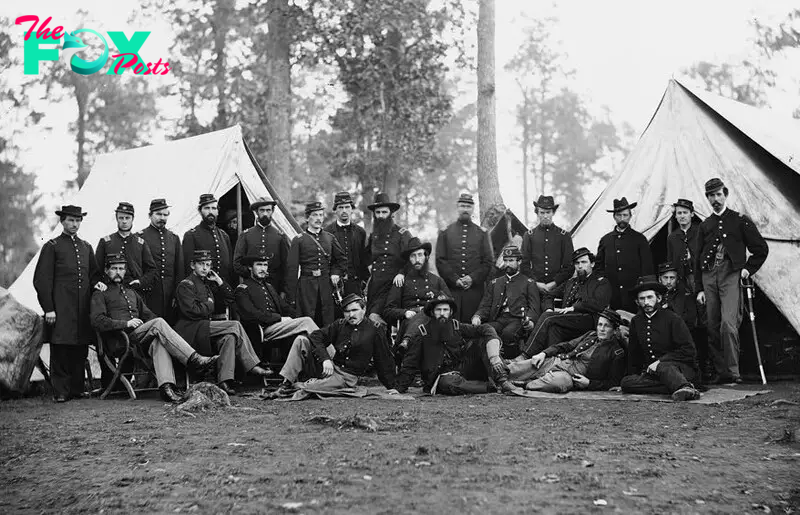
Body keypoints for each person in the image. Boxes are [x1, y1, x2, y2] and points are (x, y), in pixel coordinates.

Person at [90, 253, 219, 403]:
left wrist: (167, 334)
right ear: (106, 271)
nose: (118, 272)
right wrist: (125, 324)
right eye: (114, 268)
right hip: (119, 339)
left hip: (138, 339)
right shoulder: (100, 293)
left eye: (121, 268)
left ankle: (166, 388)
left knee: (159, 342)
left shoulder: (132, 293)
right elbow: (97, 321)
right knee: (158, 323)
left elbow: (149, 315)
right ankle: (194, 359)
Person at [695, 178, 769, 384]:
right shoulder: (705, 225)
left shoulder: (740, 220)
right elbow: (697, 259)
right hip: (708, 277)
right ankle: (721, 372)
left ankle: (733, 372)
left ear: (725, 194)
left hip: (731, 276)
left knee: (728, 324)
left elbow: (761, 249)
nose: (715, 199)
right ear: (708, 198)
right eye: (711, 195)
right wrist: (699, 288)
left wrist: (747, 269)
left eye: (719, 194)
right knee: (712, 325)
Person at [174, 250, 273, 395]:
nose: (205, 268)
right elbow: (193, 311)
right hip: (190, 331)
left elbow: (229, 298)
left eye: (208, 265)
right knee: (235, 325)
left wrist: (219, 282)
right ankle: (252, 365)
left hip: (205, 331)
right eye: (201, 264)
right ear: (192, 265)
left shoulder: (207, 284)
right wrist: (209, 304)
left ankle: (224, 381)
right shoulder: (186, 285)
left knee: (230, 338)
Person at [33, 205, 106, 402]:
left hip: (82, 310)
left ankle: (76, 389)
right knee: (61, 348)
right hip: (60, 309)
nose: (75, 224)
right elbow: (42, 280)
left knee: (79, 349)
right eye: (71, 220)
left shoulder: (86, 247)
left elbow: (93, 276)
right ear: (62, 221)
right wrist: (48, 308)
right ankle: (61, 392)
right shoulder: (52, 246)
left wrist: (97, 283)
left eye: (78, 220)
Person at [272, 294, 397, 395]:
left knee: (309, 387)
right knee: (301, 340)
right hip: (331, 367)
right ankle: (286, 383)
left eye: (355, 310)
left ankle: (301, 385)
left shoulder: (374, 329)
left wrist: (393, 387)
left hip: (347, 377)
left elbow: (383, 359)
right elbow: (316, 336)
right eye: (347, 311)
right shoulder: (340, 324)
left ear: (364, 310)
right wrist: (325, 359)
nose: (351, 315)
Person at [395, 294, 518, 395]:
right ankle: (490, 387)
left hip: (462, 369)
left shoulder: (456, 326)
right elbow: (410, 364)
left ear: (451, 312)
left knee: (481, 340)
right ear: (432, 313)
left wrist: (494, 356)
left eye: (445, 310)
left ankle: (502, 381)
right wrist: (399, 388)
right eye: (438, 310)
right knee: (448, 383)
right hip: (439, 378)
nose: (442, 313)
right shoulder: (423, 332)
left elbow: (486, 328)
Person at [517, 248, 612, 360]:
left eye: (584, 262)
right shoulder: (571, 282)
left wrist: (574, 307)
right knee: (553, 328)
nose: (580, 266)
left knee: (548, 318)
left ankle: (525, 355)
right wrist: (549, 309)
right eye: (577, 263)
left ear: (592, 263)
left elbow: (599, 304)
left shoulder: (601, 282)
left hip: (588, 320)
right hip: (567, 321)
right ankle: (550, 363)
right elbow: (549, 295)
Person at [620, 276, 700, 401]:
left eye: (650, 297)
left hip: (679, 369)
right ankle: (677, 387)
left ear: (659, 298)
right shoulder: (637, 321)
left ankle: (685, 386)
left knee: (664, 367)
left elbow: (689, 351)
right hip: (653, 375)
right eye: (642, 298)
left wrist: (660, 362)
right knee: (626, 383)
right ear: (637, 302)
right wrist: (633, 376)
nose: (646, 302)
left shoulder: (673, 319)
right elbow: (634, 355)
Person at [506, 309, 626, 393]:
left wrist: (589, 383)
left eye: (607, 326)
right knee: (514, 368)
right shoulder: (591, 335)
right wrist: (543, 353)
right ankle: (498, 379)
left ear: (615, 330)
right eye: (600, 325)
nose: (602, 329)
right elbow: (567, 345)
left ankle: (525, 384)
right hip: (557, 361)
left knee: (560, 383)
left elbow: (613, 382)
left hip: (568, 376)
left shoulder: (616, 352)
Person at [235, 254, 318, 363]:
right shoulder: (243, 289)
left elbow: (285, 307)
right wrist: (279, 319)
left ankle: (299, 374)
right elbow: (252, 314)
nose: (263, 268)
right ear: (250, 267)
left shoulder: (269, 287)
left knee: (303, 335)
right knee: (306, 322)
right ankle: (332, 357)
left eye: (265, 265)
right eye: (259, 265)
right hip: (262, 330)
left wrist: (297, 317)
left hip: (279, 328)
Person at [383, 237, 451, 351]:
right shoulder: (401, 281)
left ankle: (406, 341)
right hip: (410, 321)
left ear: (426, 257)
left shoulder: (437, 281)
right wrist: (405, 313)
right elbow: (388, 310)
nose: (417, 259)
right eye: (413, 256)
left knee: (427, 313)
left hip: (434, 321)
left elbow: (450, 303)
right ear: (409, 260)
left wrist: (440, 302)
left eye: (420, 255)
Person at [435, 193, 494, 323]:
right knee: (451, 325)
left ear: (473, 209)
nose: (465, 209)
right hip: (451, 290)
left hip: (475, 291)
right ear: (457, 208)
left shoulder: (482, 233)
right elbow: (440, 260)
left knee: (473, 327)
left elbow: (488, 261)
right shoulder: (446, 232)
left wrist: (472, 278)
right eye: (462, 206)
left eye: (468, 206)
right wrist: (455, 279)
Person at [286, 201, 346, 326]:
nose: (319, 218)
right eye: (315, 215)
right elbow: (291, 269)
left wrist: (335, 273)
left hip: (326, 286)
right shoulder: (299, 240)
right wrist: (292, 297)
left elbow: (341, 260)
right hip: (306, 287)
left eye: (321, 215)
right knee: (308, 319)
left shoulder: (330, 238)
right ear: (307, 218)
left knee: (327, 319)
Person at [471, 245, 539, 355]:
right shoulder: (495, 283)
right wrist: (477, 316)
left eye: (511, 261)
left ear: (519, 261)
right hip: (499, 319)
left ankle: (508, 365)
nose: (507, 264)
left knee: (508, 334)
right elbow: (485, 306)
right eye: (505, 261)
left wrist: (530, 321)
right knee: (485, 330)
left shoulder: (529, 283)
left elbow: (534, 308)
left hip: (517, 320)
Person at [595, 197, 654, 312]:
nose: (622, 219)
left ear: (630, 216)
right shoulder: (605, 240)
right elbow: (598, 267)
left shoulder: (639, 239)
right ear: (614, 217)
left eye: (625, 215)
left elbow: (647, 268)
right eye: (619, 215)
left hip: (634, 294)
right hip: (612, 295)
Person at [364, 192, 413, 324]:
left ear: (391, 213)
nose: (380, 216)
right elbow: (366, 254)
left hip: (394, 284)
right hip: (376, 285)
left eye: (384, 212)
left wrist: (402, 273)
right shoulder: (374, 235)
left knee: (378, 317)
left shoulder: (402, 234)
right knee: (370, 320)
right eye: (377, 212)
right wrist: (370, 265)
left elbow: (413, 257)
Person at [182, 194, 235, 315]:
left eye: (214, 208)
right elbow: (187, 268)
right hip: (201, 295)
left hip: (222, 293)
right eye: (207, 208)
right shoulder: (192, 235)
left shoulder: (224, 236)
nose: (211, 212)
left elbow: (230, 268)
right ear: (200, 211)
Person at [520, 195, 574, 303]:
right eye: (542, 213)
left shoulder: (564, 236)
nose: (545, 216)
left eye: (548, 212)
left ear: (553, 213)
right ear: (537, 213)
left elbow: (569, 267)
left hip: (558, 289)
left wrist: (553, 283)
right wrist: (536, 283)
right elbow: (524, 265)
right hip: (534, 289)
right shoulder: (529, 235)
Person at [95, 202, 157, 295]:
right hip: (111, 293)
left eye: (127, 218)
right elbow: (97, 269)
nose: (124, 221)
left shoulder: (140, 243)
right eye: (121, 218)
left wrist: (140, 282)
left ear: (132, 219)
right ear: (116, 219)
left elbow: (151, 269)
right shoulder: (106, 242)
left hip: (135, 293)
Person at [232, 197, 290, 295]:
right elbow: (237, 263)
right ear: (256, 212)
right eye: (262, 210)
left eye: (268, 210)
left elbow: (286, 267)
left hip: (274, 287)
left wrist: (283, 290)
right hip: (250, 287)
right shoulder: (246, 235)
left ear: (272, 211)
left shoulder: (280, 236)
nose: (265, 214)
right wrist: (252, 273)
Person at [138, 199, 183, 321]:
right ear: (149, 215)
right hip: (149, 294)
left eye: (165, 214)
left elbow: (179, 269)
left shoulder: (174, 238)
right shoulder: (140, 237)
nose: (162, 217)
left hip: (170, 295)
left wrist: (177, 294)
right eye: (158, 214)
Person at [324, 191, 370, 303]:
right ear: (335, 210)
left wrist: (366, 281)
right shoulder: (327, 232)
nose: (344, 210)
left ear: (351, 209)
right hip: (334, 285)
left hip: (356, 284)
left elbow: (364, 258)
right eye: (340, 207)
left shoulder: (360, 232)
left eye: (347, 207)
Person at [666, 198, 699, 286]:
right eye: (679, 213)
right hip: (681, 280)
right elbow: (670, 261)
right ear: (675, 216)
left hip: (699, 278)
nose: (682, 216)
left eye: (685, 212)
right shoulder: (672, 237)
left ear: (692, 214)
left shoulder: (700, 232)